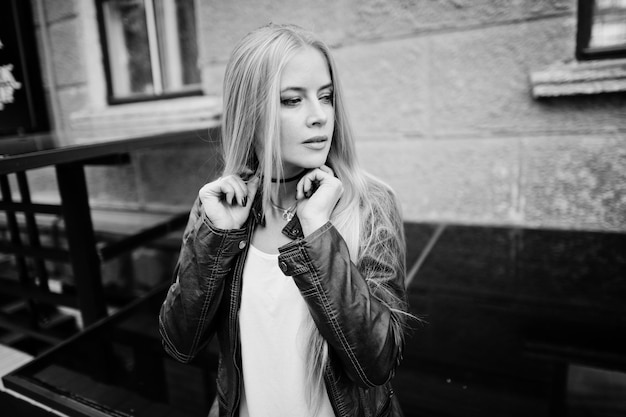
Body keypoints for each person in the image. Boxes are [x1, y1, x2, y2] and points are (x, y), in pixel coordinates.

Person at [159, 23, 411, 417]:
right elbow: (180, 344)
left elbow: (376, 364)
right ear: (251, 112)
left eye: (326, 97)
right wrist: (217, 237)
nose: (319, 117)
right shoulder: (221, 207)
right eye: (292, 100)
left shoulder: (369, 204)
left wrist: (318, 232)